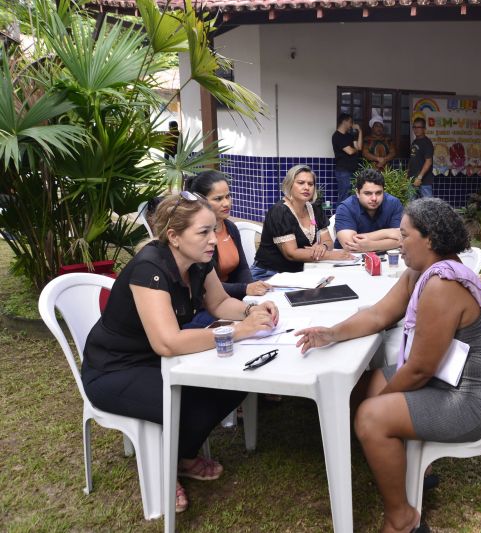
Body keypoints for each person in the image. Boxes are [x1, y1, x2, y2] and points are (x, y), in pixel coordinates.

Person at [295, 198, 481, 533]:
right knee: (358, 392)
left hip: (474, 399)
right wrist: (332, 333)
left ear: (430, 240)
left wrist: (378, 405)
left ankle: (402, 518)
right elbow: (379, 315)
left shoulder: (443, 286)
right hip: (447, 378)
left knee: (370, 414)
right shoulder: (420, 274)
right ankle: (412, 469)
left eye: (404, 235)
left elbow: (420, 370)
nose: (398, 240)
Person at [80, 192, 280, 513]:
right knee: (184, 400)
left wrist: (252, 310)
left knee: (236, 383)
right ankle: (164, 465)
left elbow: (219, 304)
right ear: (173, 236)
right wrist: (239, 331)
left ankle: (182, 456)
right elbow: (168, 343)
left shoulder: (200, 261)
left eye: (213, 229)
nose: (213, 239)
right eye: (203, 232)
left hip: (158, 361)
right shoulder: (150, 269)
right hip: (114, 369)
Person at [182, 170, 272, 328]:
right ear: (201, 201)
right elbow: (205, 286)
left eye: (227, 196)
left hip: (230, 299)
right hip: (206, 306)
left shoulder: (230, 227)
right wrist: (245, 289)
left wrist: (252, 294)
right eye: (218, 199)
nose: (226, 203)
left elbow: (242, 268)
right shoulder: (196, 237)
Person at [251, 165, 353, 278]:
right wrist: (331, 255)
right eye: (301, 183)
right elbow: (291, 254)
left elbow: (328, 241)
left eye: (310, 184)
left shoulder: (315, 208)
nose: (306, 187)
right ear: (289, 185)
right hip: (269, 273)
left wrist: (322, 247)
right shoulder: (280, 212)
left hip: (300, 272)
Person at [334, 168, 403, 253]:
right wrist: (386, 233)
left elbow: (401, 239)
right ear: (357, 193)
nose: (374, 198)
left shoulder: (393, 204)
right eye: (368, 193)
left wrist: (370, 246)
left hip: (383, 260)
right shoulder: (345, 208)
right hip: (349, 261)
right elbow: (350, 245)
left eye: (378, 193)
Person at [332, 113, 362, 204]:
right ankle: (340, 217)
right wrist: (355, 149)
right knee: (344, 195)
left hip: (353, 170)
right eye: (350, 122)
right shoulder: (337, 136)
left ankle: (348, 217)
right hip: (343, 171)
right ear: (344, 122)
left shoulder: (349, 136)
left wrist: (360, 131)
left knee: (352, 196)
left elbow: (359, 147)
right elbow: (350, 151)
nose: (351, 125)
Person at [409, 118, 434, 198]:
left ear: (424, 129)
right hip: (412, 179)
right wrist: (407, 173)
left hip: (424, 181)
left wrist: (419, 177)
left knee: (427, 205)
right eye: (414, 127)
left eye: (419, 127)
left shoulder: (427, 143)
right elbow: (413, 158)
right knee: (410, 204)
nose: (416, 129)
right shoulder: (415, 142)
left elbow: (428, 162)